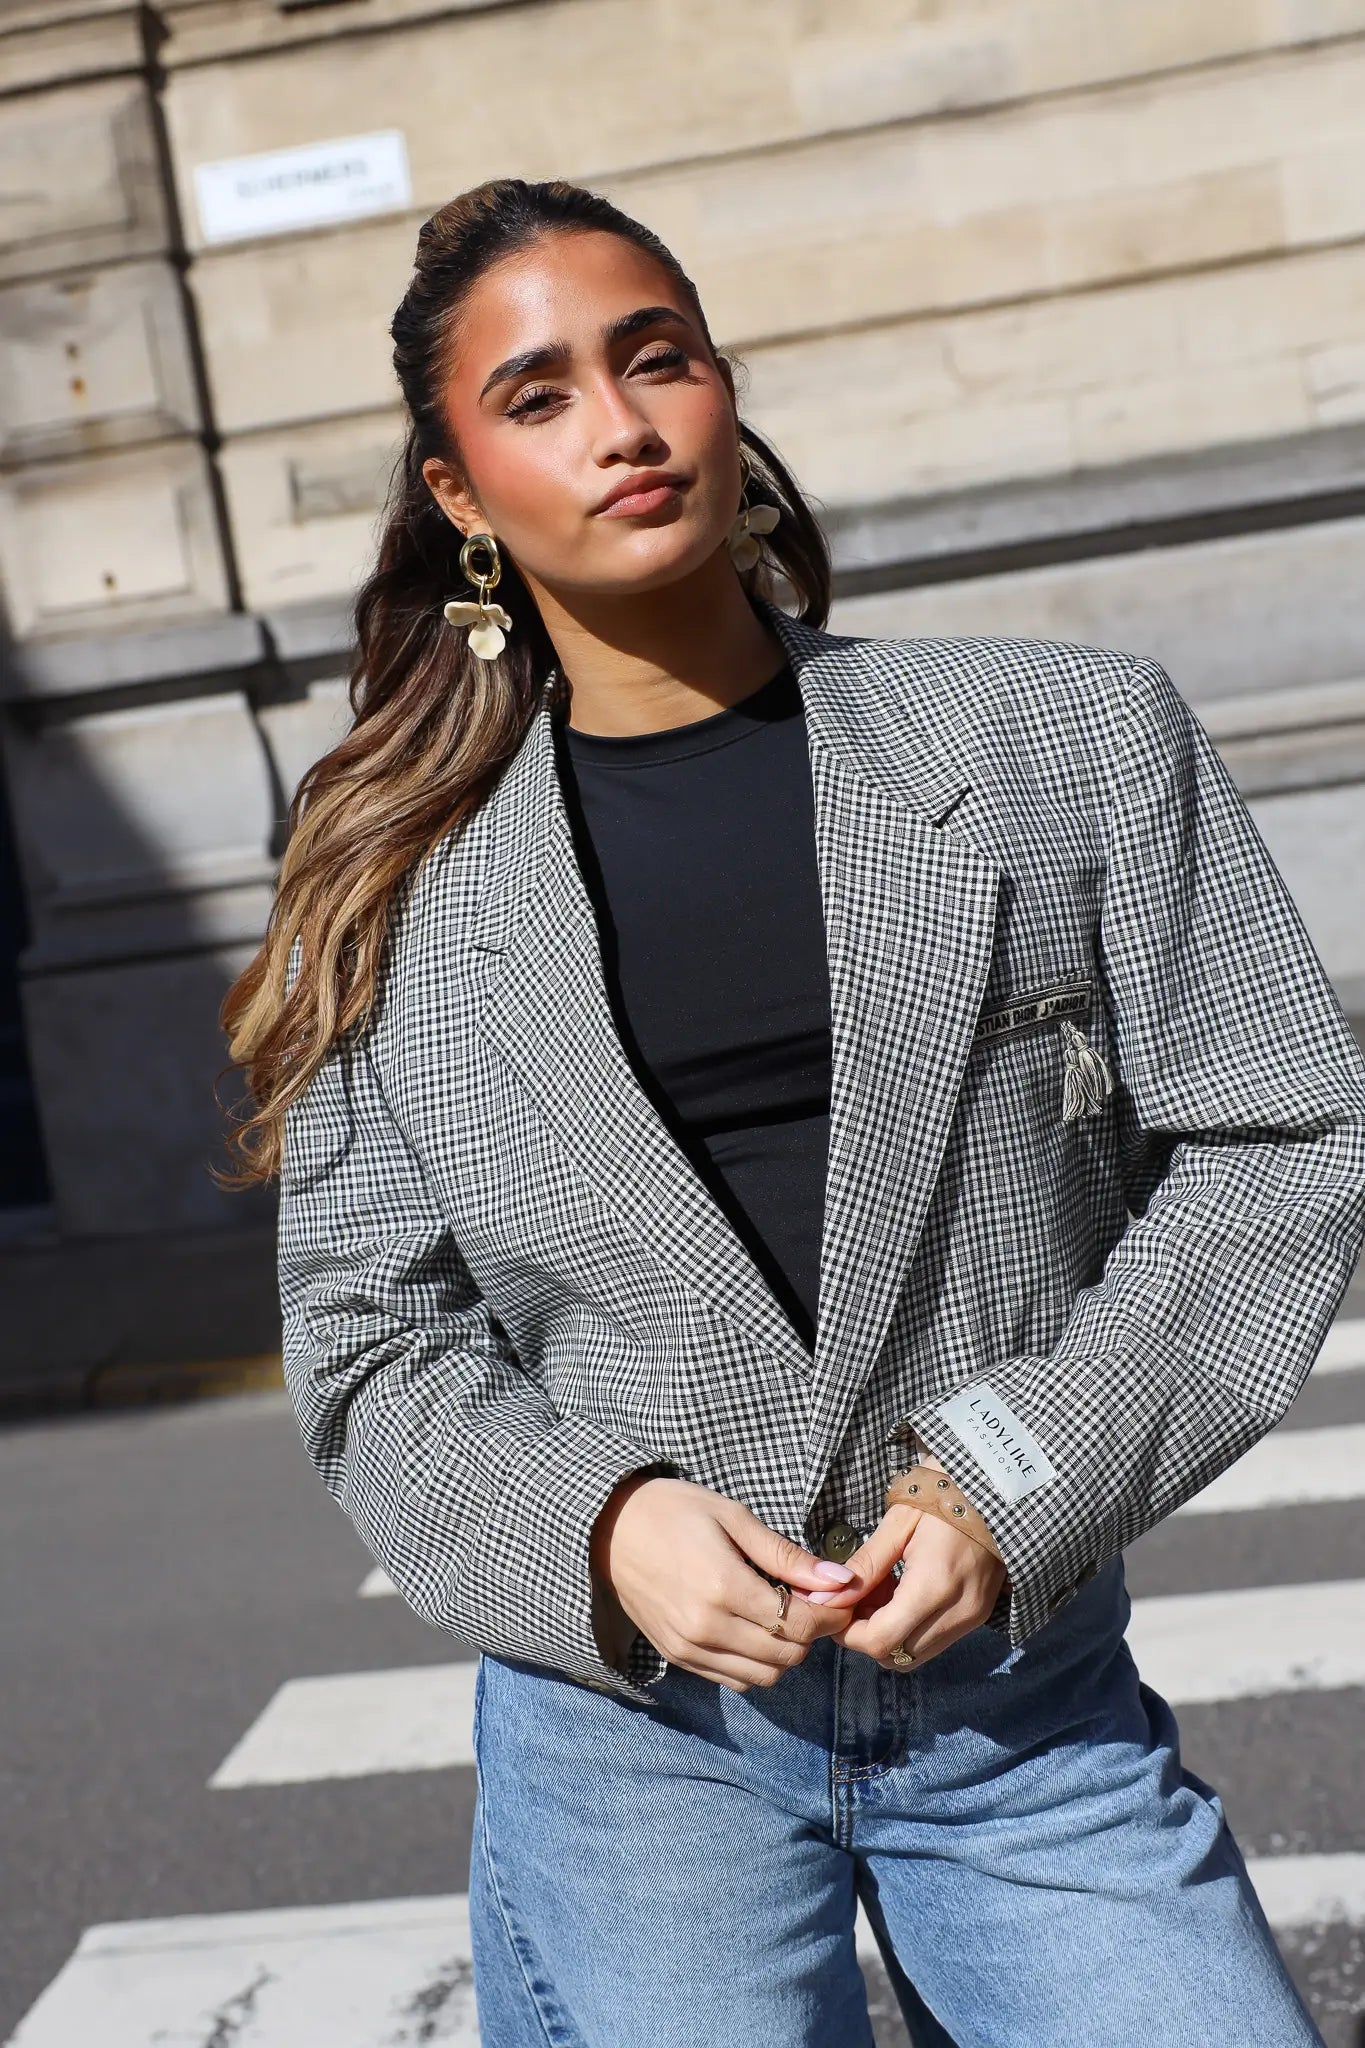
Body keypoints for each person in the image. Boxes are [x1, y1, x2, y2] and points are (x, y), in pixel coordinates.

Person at [219, 177, 1365, 2047]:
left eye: (655, 358)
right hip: (636, 1741)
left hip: (1018, 1709)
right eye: (537, 397)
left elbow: (1275, 1143)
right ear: (458, 494)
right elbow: (370, 1338)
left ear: (724, 388)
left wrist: (1022, 1468)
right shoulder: (394, 878)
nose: (619, 425)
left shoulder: (1060, 740)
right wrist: (603, 1529)